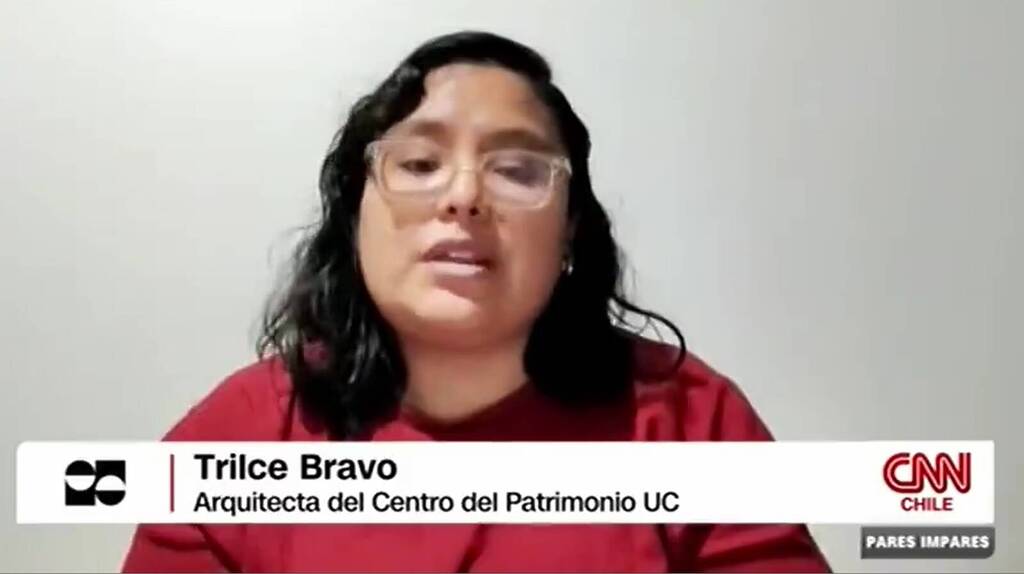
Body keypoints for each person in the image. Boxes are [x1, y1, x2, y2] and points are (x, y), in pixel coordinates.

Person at [121, 30, 830, 573]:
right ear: (355, 213)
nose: (463, 196)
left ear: (569, 229)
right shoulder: (238, 436)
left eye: (517, 170)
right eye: (419, 163)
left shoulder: (694, 424)